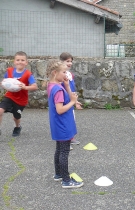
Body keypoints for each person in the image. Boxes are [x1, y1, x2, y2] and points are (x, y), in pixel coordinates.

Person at [47, 59, 84, 189]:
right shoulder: (57, 89)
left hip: (57, 124)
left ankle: (58, 174)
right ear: (54, 72)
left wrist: (67, 86)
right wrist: (73, 102)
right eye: (64, 72)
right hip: (63, 124)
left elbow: (67, 96)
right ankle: (66, 180)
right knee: (64, 152)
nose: (66, 74)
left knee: (59, 150)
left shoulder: (53, 85)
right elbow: (60, 109)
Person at [0, 51, 38, 136]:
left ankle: (17, 127)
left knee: (16, 117)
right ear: (14, 61)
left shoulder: (28, 74)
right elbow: (5, 82)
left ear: (26, 62)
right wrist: (3, 84)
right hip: (9, 96)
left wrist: (25, 87)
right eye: (18, 60)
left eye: (22, 60)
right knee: (0, 110)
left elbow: (35, 87)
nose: (20, 62)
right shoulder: (9, 71)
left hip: (21, 100)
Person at [60, 52, 82, 149]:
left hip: (70, 100)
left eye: (71, 61)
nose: (69, 63)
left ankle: (70, 138)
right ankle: (64, 142)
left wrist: (75, 101)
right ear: (61, 62)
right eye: (67, 61)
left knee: (71, 120)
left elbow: (71, 89)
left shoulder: (70, 74)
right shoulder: (60, 74)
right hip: (63, 101)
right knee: (64, 121)